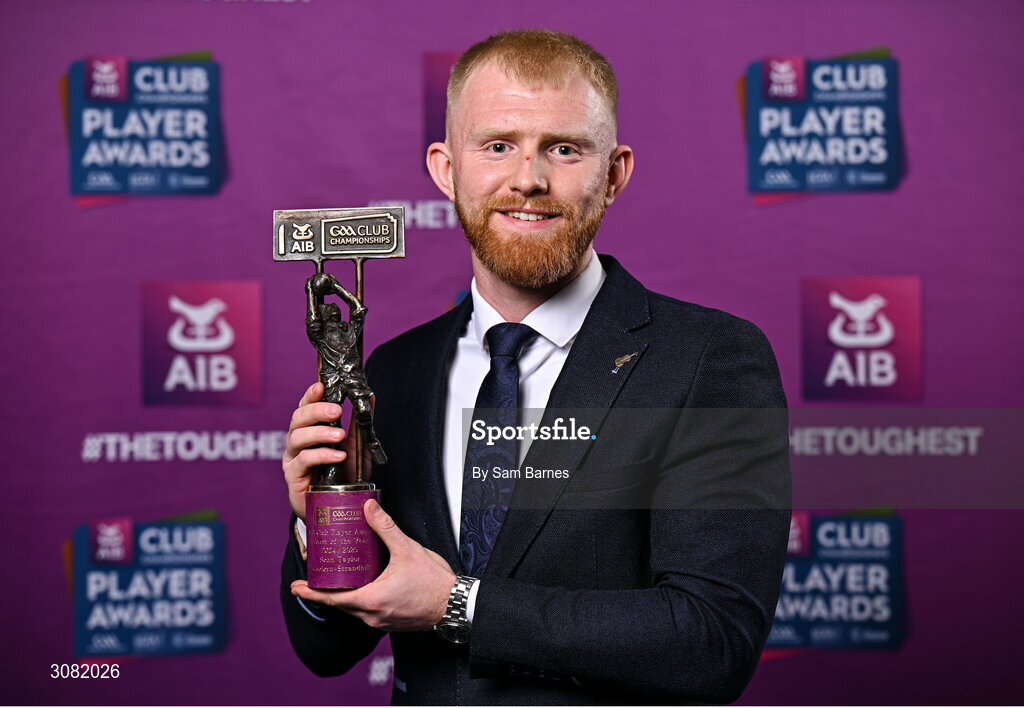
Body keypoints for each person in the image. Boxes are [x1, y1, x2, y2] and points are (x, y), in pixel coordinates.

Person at [280, 29, 790, 705]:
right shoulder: (395, 372)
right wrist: (321, 520)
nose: (528, 177)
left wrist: (456, 604)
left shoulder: (709, 360)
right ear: (445, 169)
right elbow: (326, 652)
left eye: (564, 148)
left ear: (613, 174)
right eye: (497, 145)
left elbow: (710, 641)